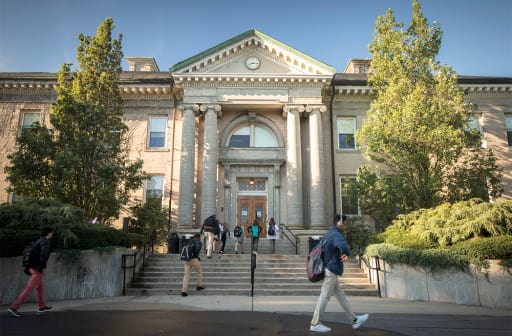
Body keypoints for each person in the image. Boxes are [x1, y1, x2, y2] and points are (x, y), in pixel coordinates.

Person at [310, 215, 369, 332]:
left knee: (340, 295)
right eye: (345, 224)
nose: (346, 226)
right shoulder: (336, 235)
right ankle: (315, 323)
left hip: (330, 269)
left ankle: (354, 319)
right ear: (339, 223)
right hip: (331, 269)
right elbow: (343, 246)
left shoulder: (329, 233)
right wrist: (347, 253)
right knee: (325, 296)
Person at [8, 227, 54, 317]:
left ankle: (42, 306)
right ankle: (14, 307)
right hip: (37, 268)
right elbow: (43, 255)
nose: (52, 234)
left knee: (40, 287)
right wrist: (41, 267)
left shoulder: (38, 240)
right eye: (51, 233)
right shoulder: (45, 242)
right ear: (48, 233)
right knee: (29, 288)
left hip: (31, 267)